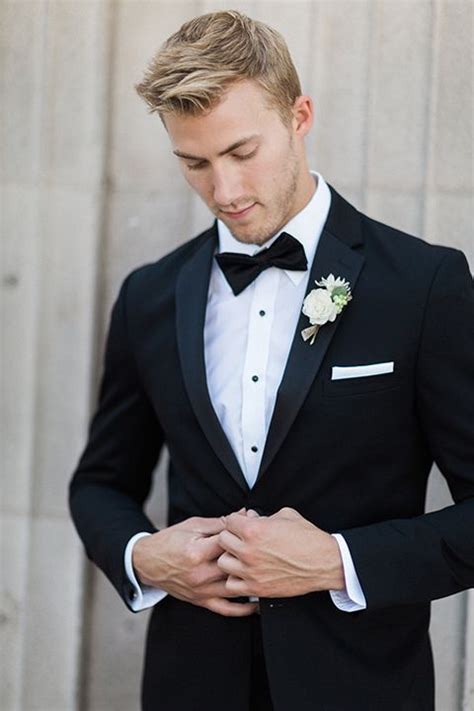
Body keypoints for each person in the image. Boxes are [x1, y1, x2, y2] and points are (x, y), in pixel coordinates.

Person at [69, 10, 474, 711]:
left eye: (241, 151)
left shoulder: (425, 285)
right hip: (188, 687)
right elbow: (99, 483)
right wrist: (144, 555)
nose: (223, 191)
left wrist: (335, 561)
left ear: (300, 115)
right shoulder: (148, 296)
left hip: (362, 688)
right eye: (194, 163)